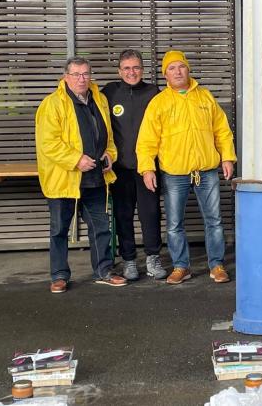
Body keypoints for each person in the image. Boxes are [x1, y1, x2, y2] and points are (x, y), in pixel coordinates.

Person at [136, 51, 236, 285]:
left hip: (206, 171)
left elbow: (221, 130)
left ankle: (217, 265)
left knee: (214, 221)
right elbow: (147, 140)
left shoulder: (205, 97)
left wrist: (228, 157)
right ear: (165, 75)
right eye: (171, 68)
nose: (177, 71)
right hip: (174, 173)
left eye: (181, 66)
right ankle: (181, 266)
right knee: (174, 225)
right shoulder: (159, 103)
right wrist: (147, 169)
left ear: (188, 69)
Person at [35, 57, 127, 293]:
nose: (81, 79)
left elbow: (108, 136)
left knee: (100, 227)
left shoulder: (100, 100)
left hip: (95, 178)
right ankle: (59, 275)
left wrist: (110, 154)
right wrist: (76, 159)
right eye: (76, 74)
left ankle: (104, 271)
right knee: (59, 230)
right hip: (64, 179)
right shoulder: (52, 104)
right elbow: (48, 143)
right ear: (66, 77)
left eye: (85, 74)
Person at [101, 49, 165, 281]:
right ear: (119, 71)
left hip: (147, 168)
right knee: (123, 215)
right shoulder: (109, 92)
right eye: (127, 68)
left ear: (143, 69)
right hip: (119, 168)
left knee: (151, 214)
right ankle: (129, 260)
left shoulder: (153, 93)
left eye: (136, 67)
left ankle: (153, 258)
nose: (131, 72)